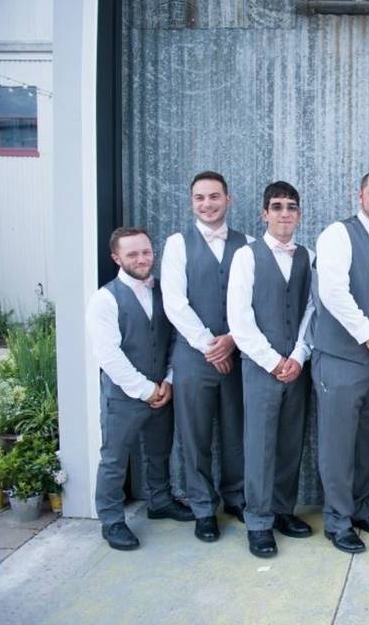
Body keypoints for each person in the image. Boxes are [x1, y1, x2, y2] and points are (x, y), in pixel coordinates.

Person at [308, 169, 369, 554]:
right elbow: (332, 291)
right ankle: (337, 520)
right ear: (360, 195)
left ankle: (362, 509)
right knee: (337, 444)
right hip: (341, 358)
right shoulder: (337, 234)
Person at [87, 227, 195, 551]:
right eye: (132, 254)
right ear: (116, 258)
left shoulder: (165, 292)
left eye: (146, 252)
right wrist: (145, 389)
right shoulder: (104, 299)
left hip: (163, 390)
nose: (142, 259)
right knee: (114, 459)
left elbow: (177, 339)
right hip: (125, 395)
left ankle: (160, 501)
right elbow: (108, 355)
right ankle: (111, 520)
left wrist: (169, 382)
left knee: (159, 451)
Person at [161, 171, 251, 543]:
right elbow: (174, 302)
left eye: (214, 197)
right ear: (191, 202)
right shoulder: (177, 244)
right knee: (195, 435)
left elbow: (254, 298)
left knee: (236, 431)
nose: (208, 204)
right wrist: (209, 345)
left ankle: (236, 497)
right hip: (194, 357)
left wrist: (231, 339)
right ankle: (202, 507)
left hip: (238, 352)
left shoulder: (247, 244)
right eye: (200, 198)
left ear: (227, 200)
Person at [227, 181, 316, 558]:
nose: (284, 213)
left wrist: (298, 355)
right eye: (277, 207)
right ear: (264, 213)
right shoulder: (247, 257)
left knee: (290, 443)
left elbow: (313, 309)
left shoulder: (307, 256)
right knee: (260, 445)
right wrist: (272, 360)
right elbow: (239, 316)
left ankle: (283, 510)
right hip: (261, 367)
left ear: (298, 214)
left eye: (291, 207)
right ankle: (259, 521)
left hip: (297, 366)